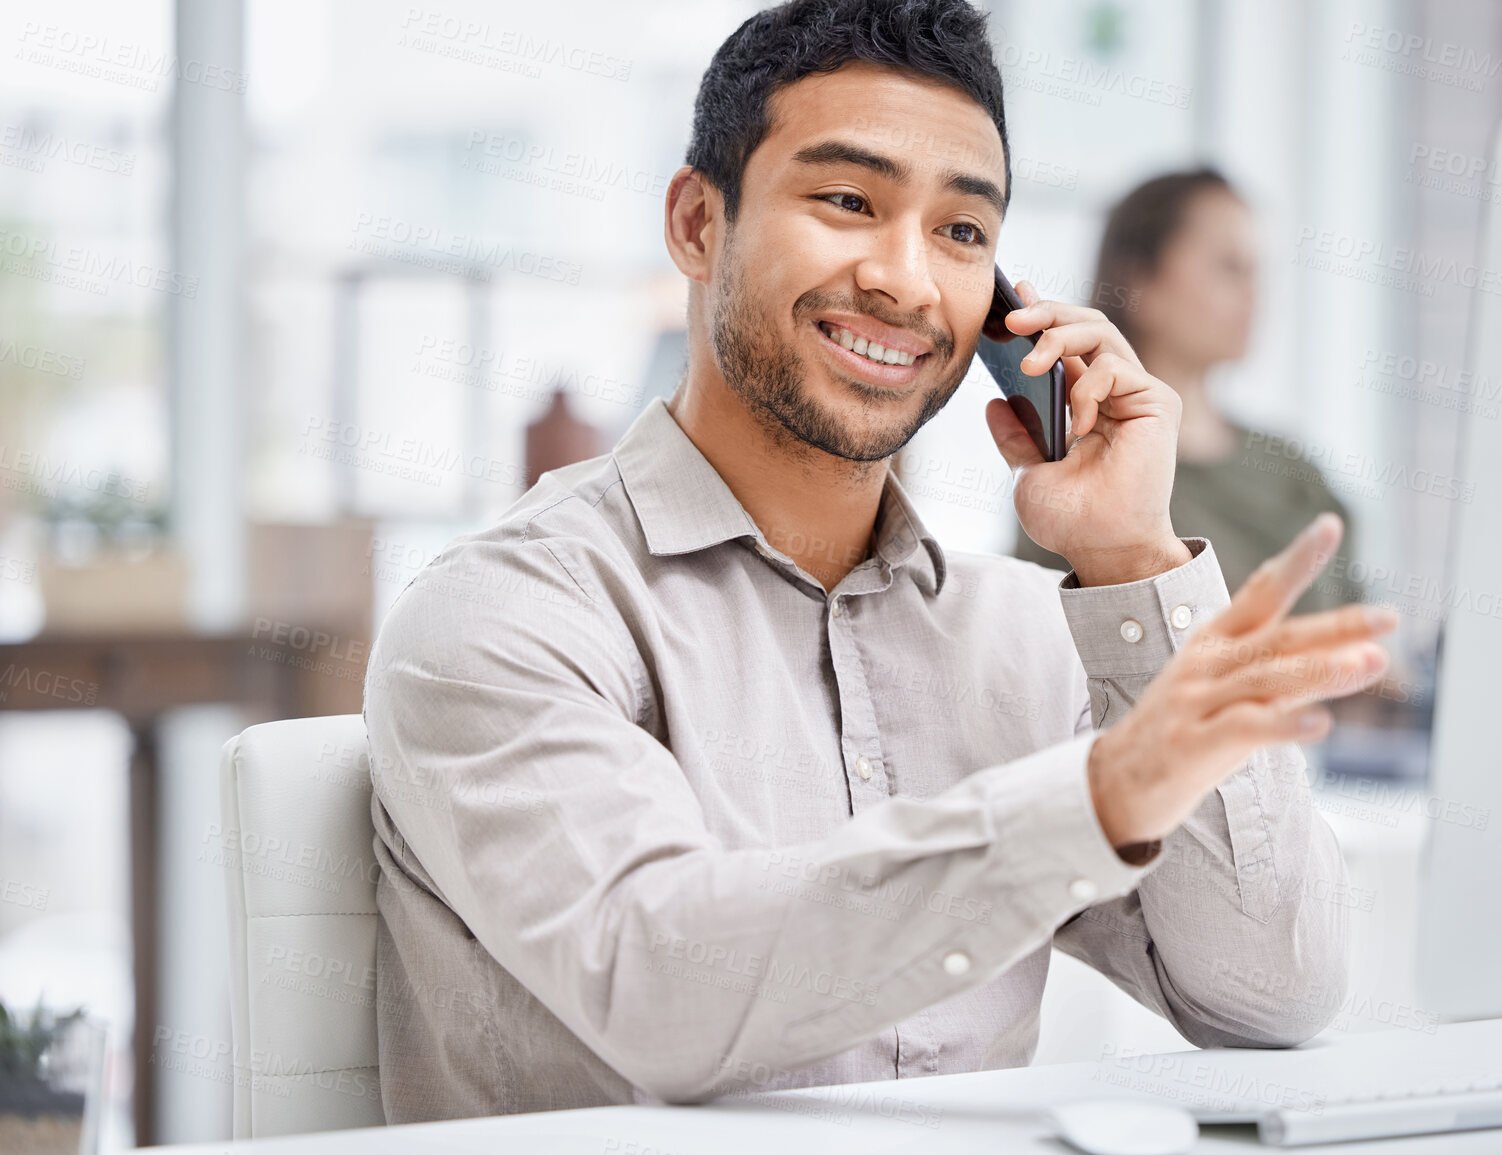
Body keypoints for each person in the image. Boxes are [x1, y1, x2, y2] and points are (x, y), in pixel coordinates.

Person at [363, 0, 1393, 1125]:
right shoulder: (501, 617)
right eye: (849, 201)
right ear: (698, 223)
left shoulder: (1023, 633)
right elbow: (659, 986)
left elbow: (1272, 998)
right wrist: (1089, 802)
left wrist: (1130, 556)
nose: (907, 282)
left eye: (962, 233)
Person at [1016, 170, 1363, 615]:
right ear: (1140, 281)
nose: (1255, 296)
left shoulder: (1296, 473)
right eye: (1229, 268)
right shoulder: (1078, 474)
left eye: (1256, 271)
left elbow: (1366, 644)